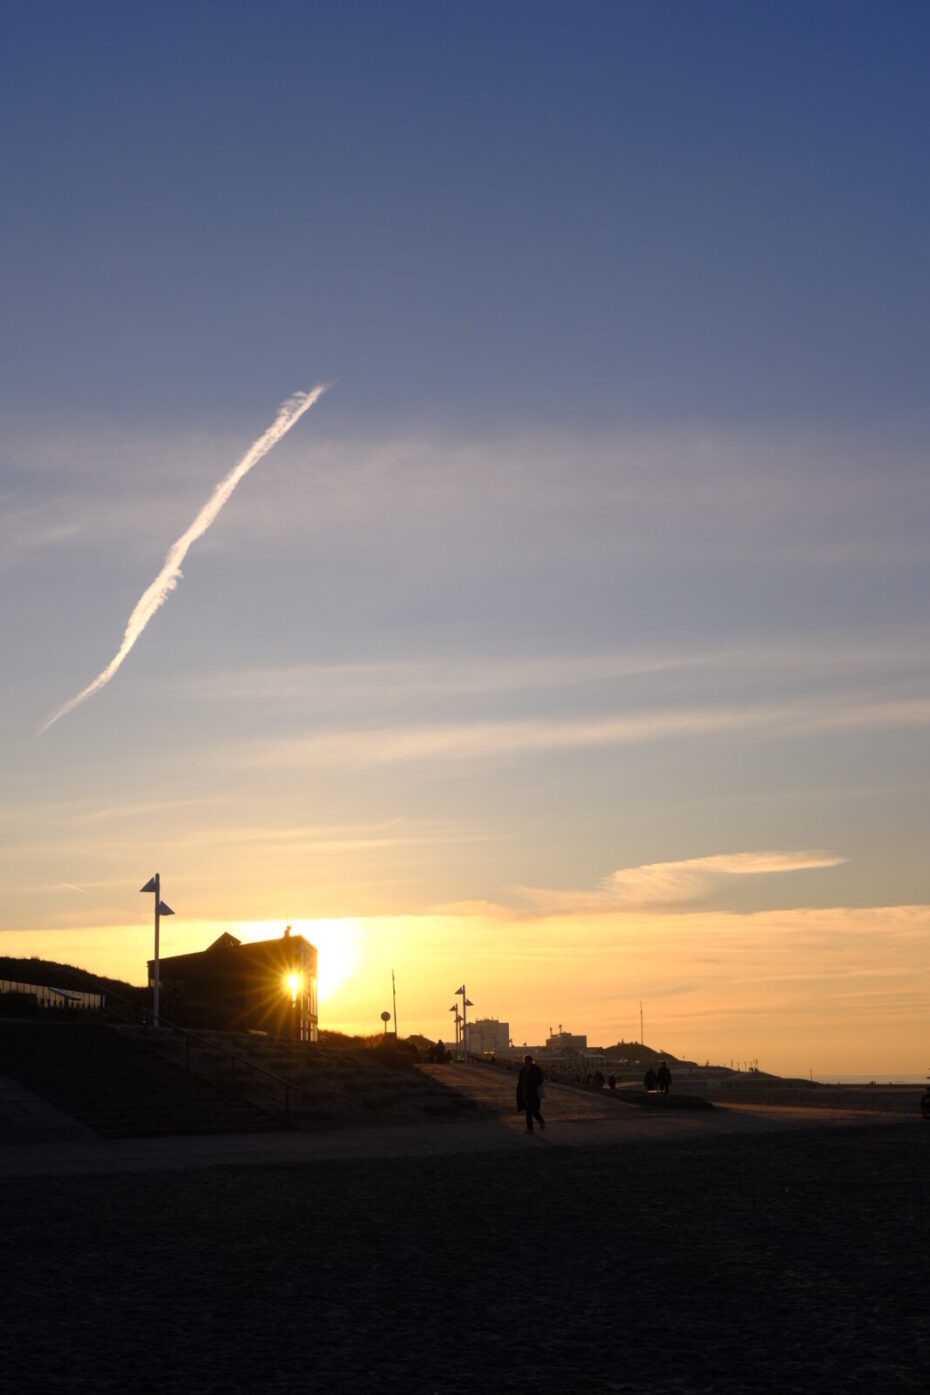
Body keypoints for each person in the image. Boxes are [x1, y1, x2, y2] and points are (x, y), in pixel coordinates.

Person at [516, 1054, 546, 1134]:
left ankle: (539, 1123)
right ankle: (532, 1127)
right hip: (525, 1093)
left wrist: (535, 1085)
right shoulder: (523, 1070)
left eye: (528, 1060)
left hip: (533, 1093)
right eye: (526, 1060)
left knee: (531, 1110)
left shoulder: (535, 1069)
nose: (527, 1062)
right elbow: (520, 1082)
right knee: (529, 1111)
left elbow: (540, 1079)